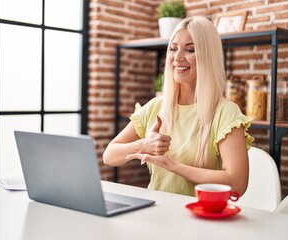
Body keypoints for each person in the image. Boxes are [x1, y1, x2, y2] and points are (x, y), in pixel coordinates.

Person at [103, 16, 254, 197]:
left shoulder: (225, 112)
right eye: (173, 49)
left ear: (208, 56)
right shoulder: (156, 106)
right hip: (157, 211)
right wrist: (143, 145)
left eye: (190, 50)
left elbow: (237, 183)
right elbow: (109, 156)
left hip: (200, 217)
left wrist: (172, 166)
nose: (178, 57)